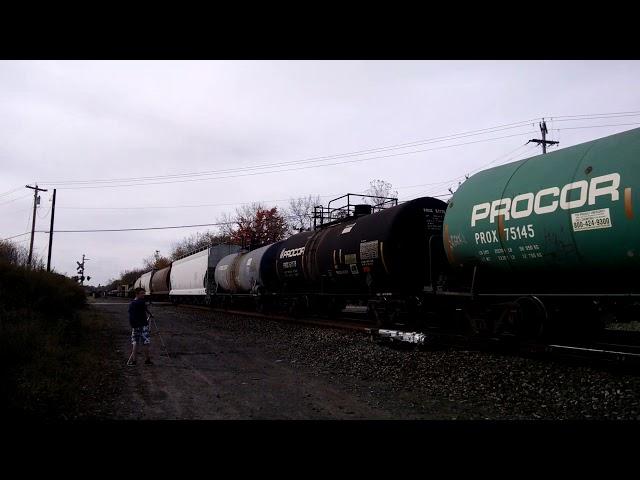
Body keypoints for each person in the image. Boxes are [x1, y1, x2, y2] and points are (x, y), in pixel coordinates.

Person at [127, 287, 153, 366]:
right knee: (145, 343)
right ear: (137, 294)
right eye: (142, 293)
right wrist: (150, 314)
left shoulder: (132, 303)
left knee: (135, 342)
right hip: (143, 326)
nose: (143, 295)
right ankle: (147, 360)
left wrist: (133, 325)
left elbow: (131, 315)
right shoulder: (141, 302)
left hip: (135, 326)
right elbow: (146, 309)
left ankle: (134, 361)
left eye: (144, 293)